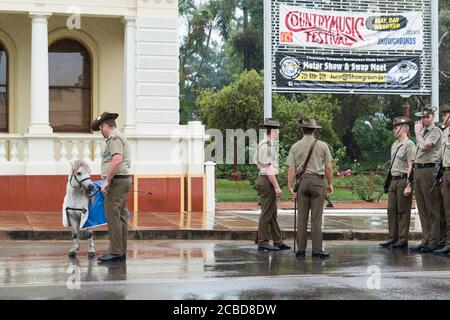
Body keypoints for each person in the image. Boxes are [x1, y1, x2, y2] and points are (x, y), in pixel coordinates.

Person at [287, 118, 333, 259]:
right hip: (317, 183)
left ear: (302, 129)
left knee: (301, 219)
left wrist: (290, 186)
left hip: (302, 183)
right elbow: (328, 167)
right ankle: (317, 251)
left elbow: (291, 169)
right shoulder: (322, 145)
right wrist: (330, 183)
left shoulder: (295, 146)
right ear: (314, 130)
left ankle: (301, 250)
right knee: (316, 219)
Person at [92, 112, 132, 263]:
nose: (101, 132)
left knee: (112, 216)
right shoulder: (120, 136)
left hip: (117, 182)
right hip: (122, 181)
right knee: (121, 217)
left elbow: (117, 160)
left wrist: (107, 180)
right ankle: (120, 251)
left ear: (105, 126)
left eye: (101, 128)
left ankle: (115, 252)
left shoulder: (114, 138)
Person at [253, 118, 290, 251]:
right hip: (267, 180)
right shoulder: (268, 146)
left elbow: (255, 161)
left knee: (272, 212)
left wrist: (262, 167)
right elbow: (269, 169)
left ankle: (278, 241)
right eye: (277, 130)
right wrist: (276, 186)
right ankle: (262, 242)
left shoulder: (262, 143)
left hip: (263, 178)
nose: (278, 133)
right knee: (266, 213)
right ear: (273, 131)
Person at [410, 106, 443, 253]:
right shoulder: (423, 131)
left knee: (432, 207)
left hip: (429, 170)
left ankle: (434, 240)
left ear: (433, 118)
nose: (424, 119)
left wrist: (417, 133)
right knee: (422, 207)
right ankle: (426, 238)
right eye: (422, 117)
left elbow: (424, 146)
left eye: (427, 117)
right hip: (418, 170)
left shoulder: (435, 131)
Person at [379, 117, 415, 249]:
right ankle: (392, 237)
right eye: (394, 127)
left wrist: (409, 184)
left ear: (403, 128)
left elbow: (411, 166)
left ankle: (402, 239)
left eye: (396, 127)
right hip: (394, 180)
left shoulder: (409, 144)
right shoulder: (394, 145)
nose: (394, 129)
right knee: (391, 210)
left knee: (403, 211)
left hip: (403, 180)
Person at [433, 105, 450, 255]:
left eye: (446, 115)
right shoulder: (445, 133)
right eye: (443, 115)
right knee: (447, 209)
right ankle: (447, 242)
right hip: (446, 172)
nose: (443, 118)